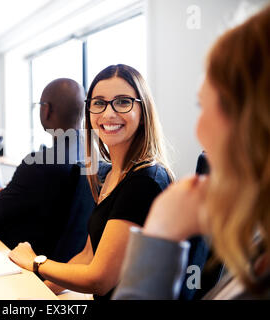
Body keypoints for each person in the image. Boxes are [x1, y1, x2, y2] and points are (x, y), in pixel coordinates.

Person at [112, 5, 270, 300]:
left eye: (218, 107)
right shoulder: (258, 246)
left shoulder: (147, 177)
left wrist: (161, 235)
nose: (199, 131)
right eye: (98, 102)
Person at [9, 64, 174, 300]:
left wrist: (35, 262)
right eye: (98, 103)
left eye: (123, 101)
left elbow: (100, 280)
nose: (108, 114)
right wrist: (41, 289)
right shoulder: (110, 173)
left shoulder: (144, 180)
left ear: (143, 109)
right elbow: (88, 256)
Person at [0, 78, 95, 263]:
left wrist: (0, 197)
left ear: (47, 110)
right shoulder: (92, 156)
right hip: (71, 267)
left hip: (30, 265)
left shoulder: (39, 164)